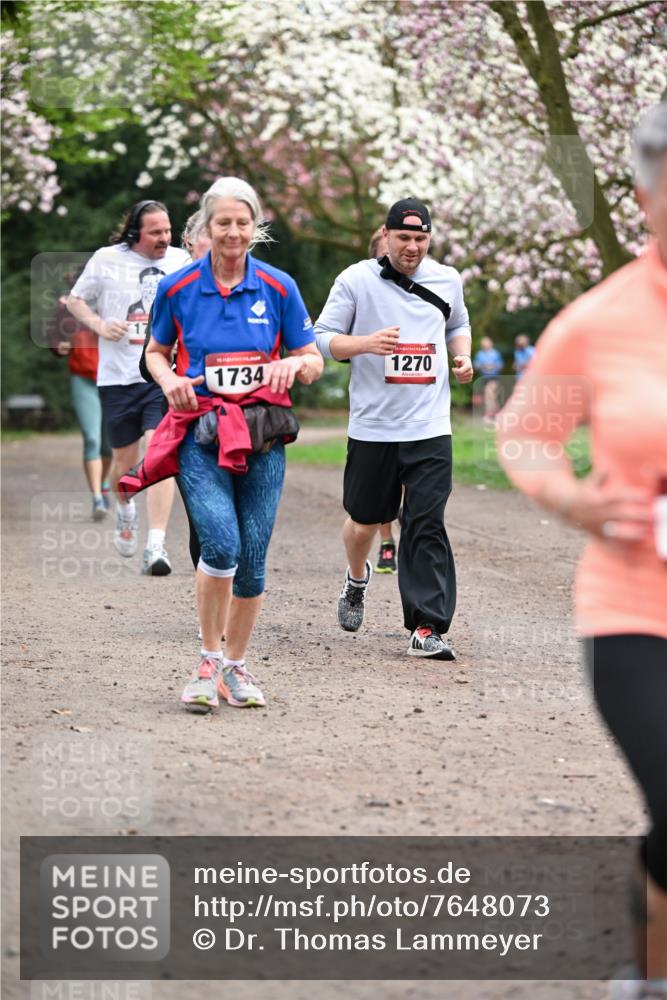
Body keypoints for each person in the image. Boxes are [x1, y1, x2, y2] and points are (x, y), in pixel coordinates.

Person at [497, 102, 667, 999]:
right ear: (643, 194)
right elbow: (527, 433)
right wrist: (570, 498)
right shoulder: (598, 322)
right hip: (637, 609)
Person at [143, 176, 323, 712]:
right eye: (223, 222)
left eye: (243, 223)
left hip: (263, 435)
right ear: (207, 226)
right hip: (201, 432)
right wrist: (169, 379)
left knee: (253, 559)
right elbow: (155, 352)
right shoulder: (177, 288)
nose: (233, 232)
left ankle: (235, 667)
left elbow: (313, 359)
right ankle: (206, 661)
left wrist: (294, 364)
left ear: (255, 227)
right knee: (220, 544)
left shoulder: (279, 287)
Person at [315, 197, 473, 660]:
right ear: (385, 235)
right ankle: (356, 578)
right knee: (364, 521)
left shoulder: (447, 278)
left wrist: (462, 355)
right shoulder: (355, 280)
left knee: (425, 523)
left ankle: (426, 627)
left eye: (421, 238)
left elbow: (457, 323)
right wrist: (365, 344)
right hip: (374, 428)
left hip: (430, 426)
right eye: (403, 237)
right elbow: (321, 339)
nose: (412, 247)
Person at [66, 200, 189, 575]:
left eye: (167, 230)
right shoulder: (106, 259)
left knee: (159, 453)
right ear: (136, 233)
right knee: (123, 462)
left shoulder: (181, 261)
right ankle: (124, 507)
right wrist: (100, 326)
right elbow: (75, 301)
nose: (164, 238)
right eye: (155, 232)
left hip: (160, 375)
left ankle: (156, 545)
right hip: (117, 377)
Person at [48, 290, 112, 520]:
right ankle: (97, 498)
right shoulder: (68, 304)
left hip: (111, 380)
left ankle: (103, 482)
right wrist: (58, 346)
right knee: (92, 438)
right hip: (82, 379)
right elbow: (53, 335)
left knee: (108, 446)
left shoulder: (114, 299)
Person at [368, 225, 399, 574]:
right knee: (382, 487)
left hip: (416, 406)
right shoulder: (364, 294)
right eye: (382, 255)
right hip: (376, 408)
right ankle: (386, 541)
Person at [473, 335, 503, 422]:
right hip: (484, 377)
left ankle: (489, 414)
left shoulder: (495, 353)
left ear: (490, 344)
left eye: (486, 343)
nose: (485, 345)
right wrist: (483, 365)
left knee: (488, 394)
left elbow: (500, 365)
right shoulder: (480, 354)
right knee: (491, 396)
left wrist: (492, 366)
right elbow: (476, 365)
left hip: (494, 377)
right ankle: (497, 413)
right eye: (483, 344)